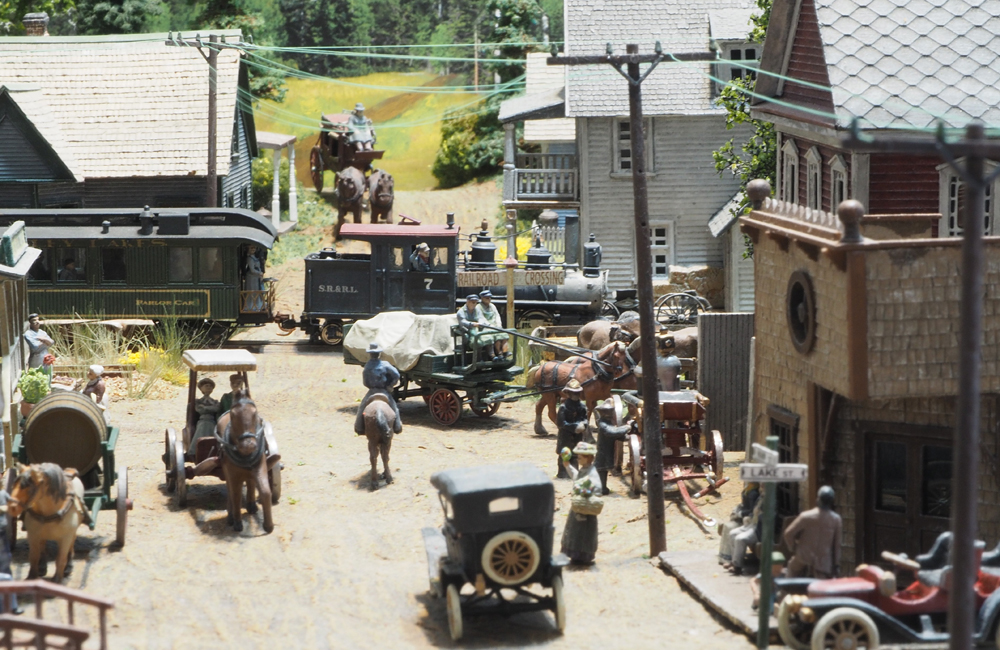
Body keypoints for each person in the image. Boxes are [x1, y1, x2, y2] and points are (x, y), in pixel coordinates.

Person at [783, 485, 843, 579]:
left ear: (818, 499)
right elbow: (837, 545)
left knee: (791, 573)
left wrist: (794, 548)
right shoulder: (836, 519)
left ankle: (784, 592)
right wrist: (836, 565)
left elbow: (788, 533)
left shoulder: (806, 516)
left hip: (803, 558)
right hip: (823, 563)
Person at [560, 441, 602, 564]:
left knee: (584, 532)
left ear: (588, 458)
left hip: (585, 508)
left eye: (580, 457)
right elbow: (577, 477)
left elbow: (597, 488)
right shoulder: (584, 470)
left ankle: (584, 554)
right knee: (575, 530)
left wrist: (586, 490)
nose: (578, 459)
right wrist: (567, 465)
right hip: (578, 507)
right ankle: (574, 552)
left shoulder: (592, 473)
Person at [354, 343, 403, 434]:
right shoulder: (385, 364)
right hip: (384, 391)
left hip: (372, 391)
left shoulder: (367, 366)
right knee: (394, 407)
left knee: (362, 406)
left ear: (370, 353)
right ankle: (397, 426)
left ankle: (359, 427)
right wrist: (390, 385)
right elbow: (396, 375)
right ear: (379, 353)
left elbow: (365, 383)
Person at [593, 398, 631, 495]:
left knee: (603, 469)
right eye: (608, 412)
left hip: (607, 449)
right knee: (600, 468)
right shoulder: (602, 423)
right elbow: (612, 432)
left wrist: (625, 437)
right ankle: (599, 488)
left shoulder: (608, 422)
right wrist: (626, 427)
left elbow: (615, 434)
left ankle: (602, 487)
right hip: (603, 450)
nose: (610, 414)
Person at [719, 482, 761, 565]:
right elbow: (744, 505)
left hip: (750, 522)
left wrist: (740, 514)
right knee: (729, 529)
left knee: (731, 528)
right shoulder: (749, 489)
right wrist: (736, 510)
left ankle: (732, 560)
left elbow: (751, 511)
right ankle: (729, 558)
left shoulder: (754, 493)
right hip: (747, 519)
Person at [556, 379, 589, 479]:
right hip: (565, 435)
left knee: (575, 455)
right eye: (573, 393)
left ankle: (574, 472)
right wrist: (574, 427)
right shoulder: (563, 407)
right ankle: (562, 472)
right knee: (564, 454)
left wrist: (583, 425)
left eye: (577, 393)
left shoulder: (582, 406)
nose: (576, 395)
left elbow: (585, 419)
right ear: (568, 393)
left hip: (577, 436)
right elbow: (561, 423)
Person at [190, 378, 220, 451]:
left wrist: (205, 407)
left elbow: (216, 409)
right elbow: (199, 410)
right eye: (206, 386)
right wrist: (210, 408)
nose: (208, 387)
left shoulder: (214, 401)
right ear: (201, 389)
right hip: (202, 421)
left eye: (210, 386)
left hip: (212, 421)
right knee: (202, 427)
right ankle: (195, 449)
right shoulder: (198, 401)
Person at [478, 290, 509, 361]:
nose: (489, 299)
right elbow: (481, 319)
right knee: (493, 336)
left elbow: (497, 316)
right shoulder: (479, 307)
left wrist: (498, 324)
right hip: (486, 327)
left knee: (503, 334)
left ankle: (505, 352)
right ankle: (497, 354)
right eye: (487, 298)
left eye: (489, 298)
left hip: (495, 326)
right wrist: (490, 326)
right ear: (482, 298)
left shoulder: (492, 306)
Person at [456, 294, 489, 361]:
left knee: (489, 338)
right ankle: (478, 359)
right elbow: (463, 322)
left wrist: (481, 323)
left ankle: (492, 357)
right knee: (477, 342)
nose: (474, 304)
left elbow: (481, 318)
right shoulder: (461, 311)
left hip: (477, 331)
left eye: (476, 303)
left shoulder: (477, 310)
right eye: (473, 302)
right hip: (467, 332)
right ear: (467, 302)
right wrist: (473, 324)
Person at [244, 245, 265, 311]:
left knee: (257, 291)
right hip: (251, 278)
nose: (253, 249)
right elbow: (252, 270)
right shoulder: (249, 258)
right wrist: (259, 273)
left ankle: (258, 304)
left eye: (254, 248)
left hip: (256, 278)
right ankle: (251, 305)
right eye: (251, 248)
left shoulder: (254, 258)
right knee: (253, 291)